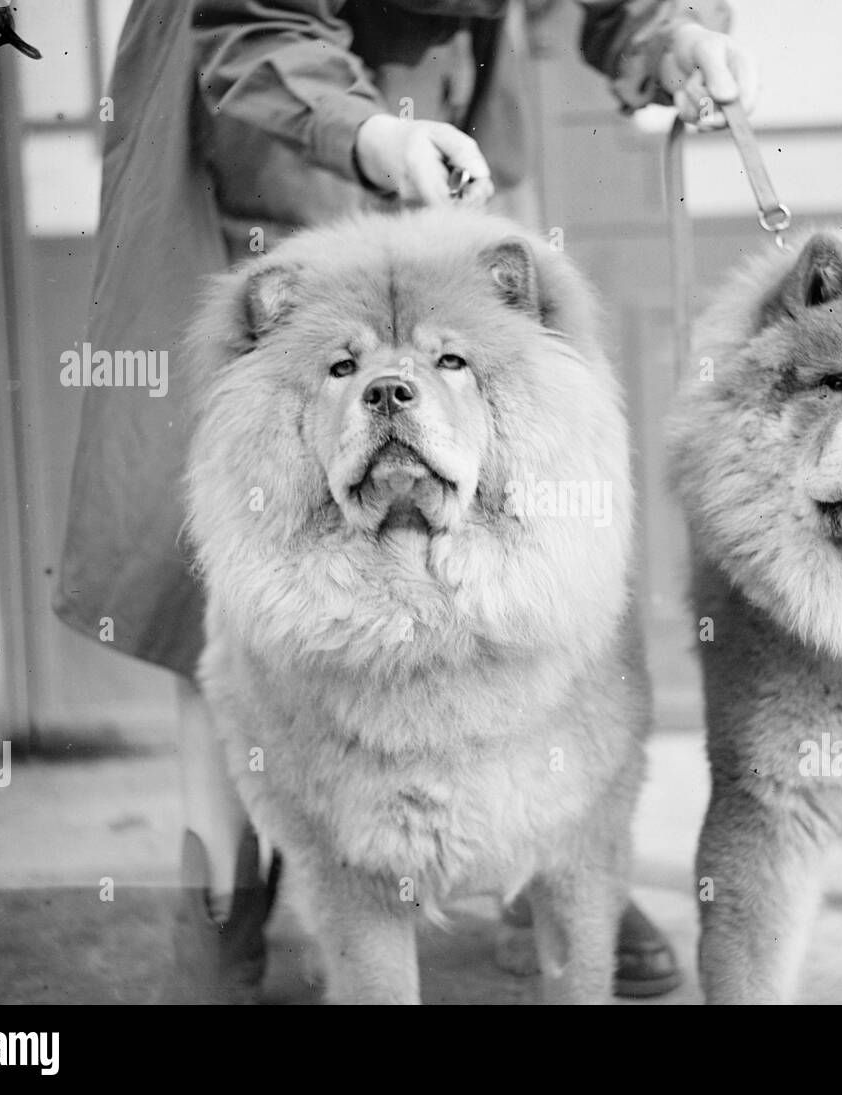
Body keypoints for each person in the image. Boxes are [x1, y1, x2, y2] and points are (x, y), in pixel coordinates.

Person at [55, 0, 757, 1003]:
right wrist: (365, 133)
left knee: (508, 496)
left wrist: (667, 39)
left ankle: (548, 850)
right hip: (259, 105)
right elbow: (252, 20)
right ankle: (225, 887)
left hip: (443, 88)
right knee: (229, 546)